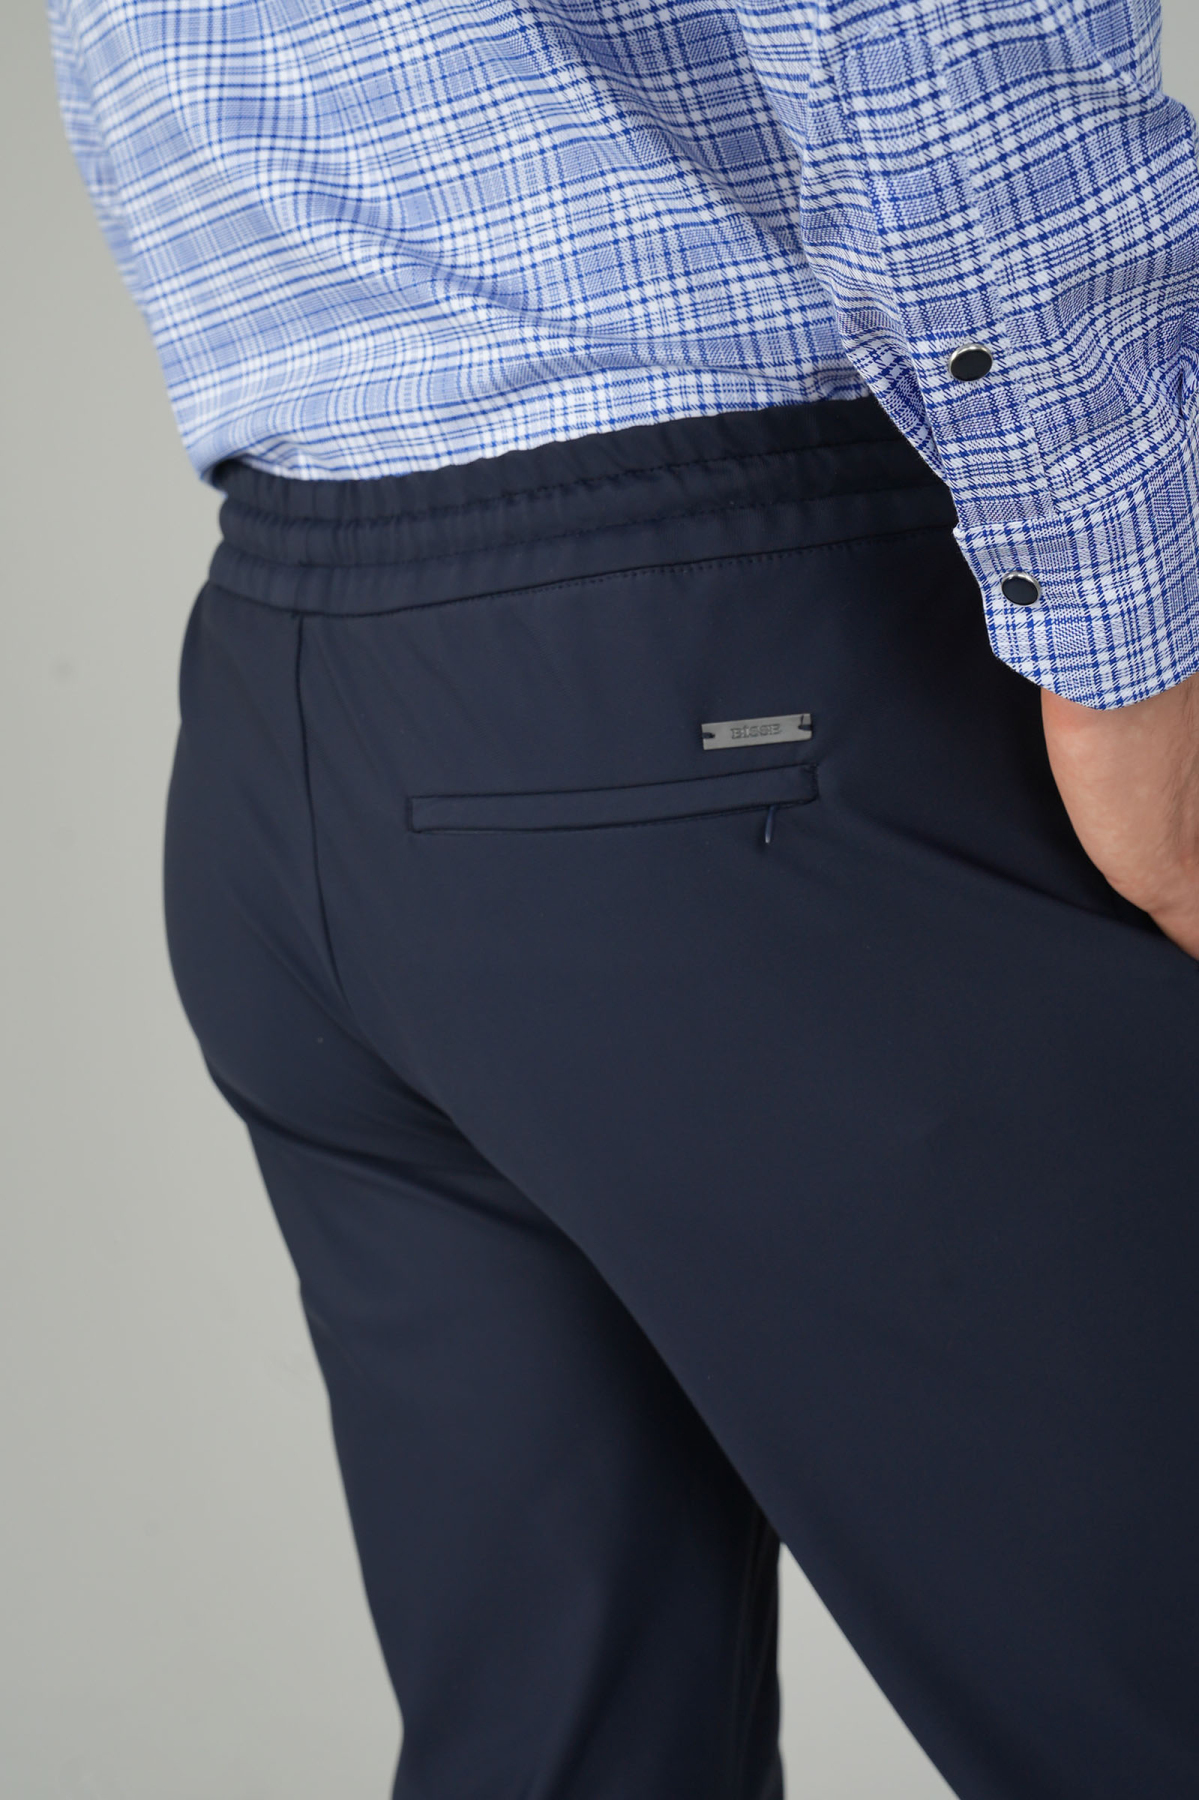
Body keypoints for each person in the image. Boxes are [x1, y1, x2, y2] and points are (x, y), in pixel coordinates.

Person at [47, 1, 1199, 1794]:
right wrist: (1134, 647)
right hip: (736, 670)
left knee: (565, 1755)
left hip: (307, 698)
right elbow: (926, 39)